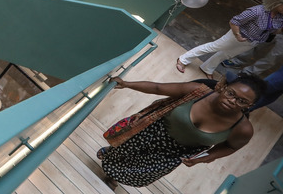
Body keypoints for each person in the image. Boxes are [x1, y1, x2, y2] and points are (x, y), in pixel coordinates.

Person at [98, 75, 265, 187]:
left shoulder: (242, 129)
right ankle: (110, 156)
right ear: (223, 88)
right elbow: (158, 88)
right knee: (123, 152)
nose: (232, 101)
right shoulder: (198, 92)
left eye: (241, 101)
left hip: (177, 152)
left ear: (249, 106)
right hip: (154, 130)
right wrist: (126, 84)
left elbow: (231, 147)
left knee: (142, 172)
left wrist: (205, 158)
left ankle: (113, 177)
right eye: (231, 93)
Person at [176, 0, 283, 75]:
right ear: (277, 2)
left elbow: (274, 30)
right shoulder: (257, 11)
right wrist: (237, 35)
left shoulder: (280, 17)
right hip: (237, 36)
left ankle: (207, 68)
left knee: (226, 55)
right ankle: (183, 59)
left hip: (252, 42)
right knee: (212, 47)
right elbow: (234, 21)